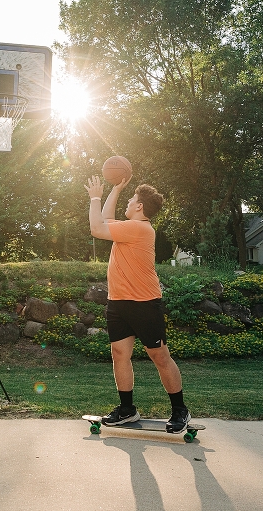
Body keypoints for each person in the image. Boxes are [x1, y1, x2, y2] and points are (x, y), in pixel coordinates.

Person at [84, 174, 190, 433]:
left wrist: (95, 197)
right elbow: (107, 219)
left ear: (140, 206)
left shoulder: (140, 228)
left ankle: (180, 410)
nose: (128, 203)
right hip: (118, 303)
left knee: (159, 356)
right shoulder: (129, 228)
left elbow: (97, 228)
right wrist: (117, 189)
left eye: (131, 199)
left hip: (144, 303)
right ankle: (127, 409)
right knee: (119, 355)